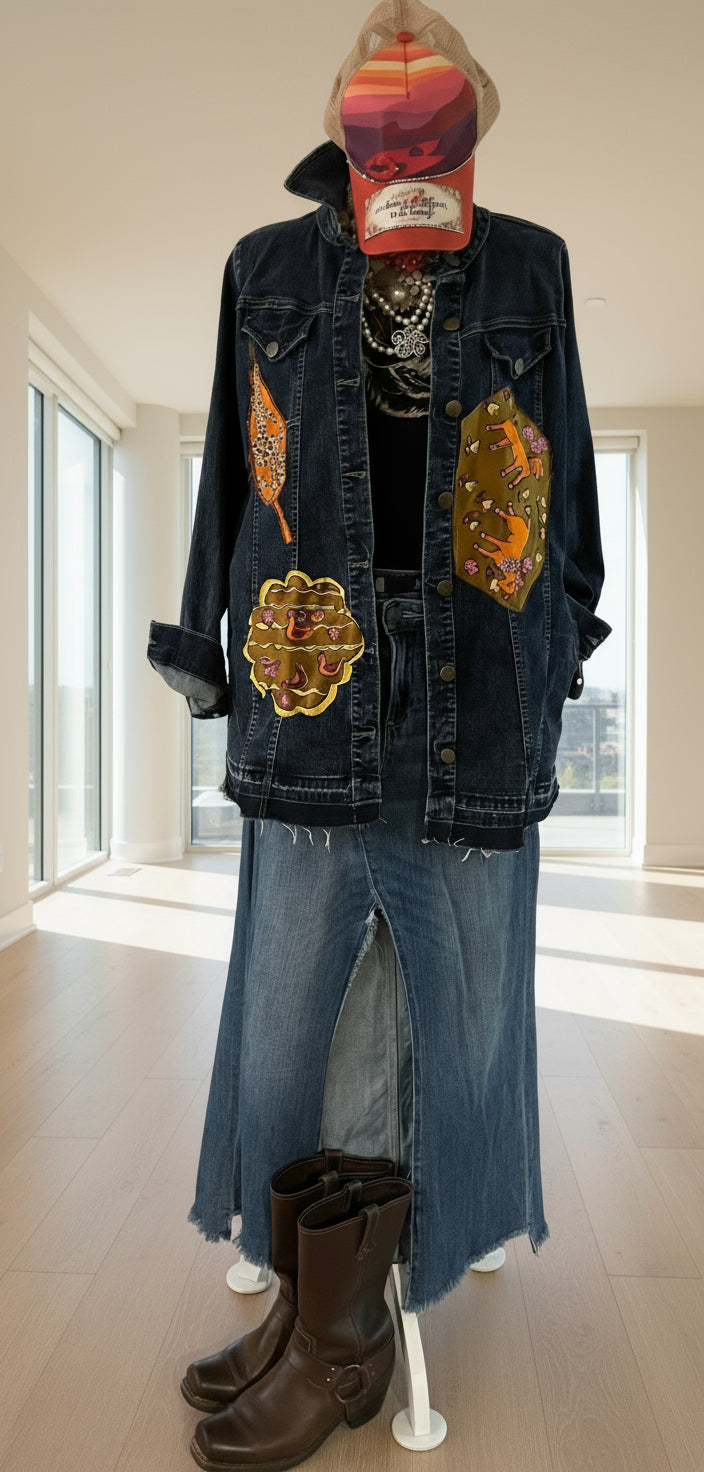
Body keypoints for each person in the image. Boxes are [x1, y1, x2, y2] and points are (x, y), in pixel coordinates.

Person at [147, 3, 612, 1467]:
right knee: (293, 1006)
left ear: (477, 103)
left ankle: (356, 1324)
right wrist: (203, 652)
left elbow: (571, 485)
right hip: (307, 663)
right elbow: (232, 468)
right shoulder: (266, 267)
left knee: (456, 1018)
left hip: (479, 679)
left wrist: (564, 644)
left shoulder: (529, 263)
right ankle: (316, 1308)